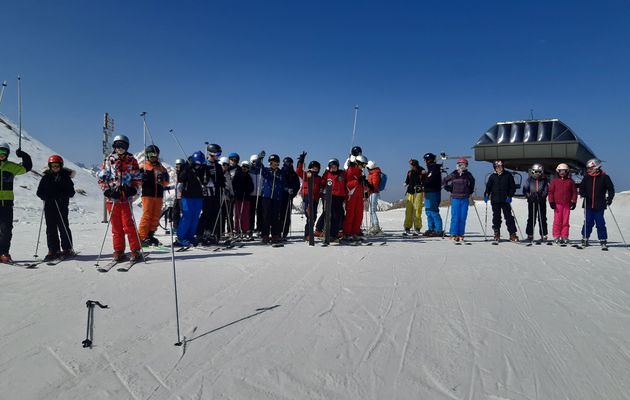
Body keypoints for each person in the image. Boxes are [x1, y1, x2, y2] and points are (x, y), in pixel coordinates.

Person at [98, 135, 143, 261]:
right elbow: (102, 177)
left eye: (123, 146)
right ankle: (118, 250)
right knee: (116, 226)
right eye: (118, 146)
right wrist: (107, 191)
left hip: (125, 197)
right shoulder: (109, 160)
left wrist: (133, 189)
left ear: (127, 147)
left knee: (128, 225)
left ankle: (135, 249)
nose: (120, 149)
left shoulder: (131, 160)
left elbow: (137, 178)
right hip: (112, 199)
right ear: (114, 147)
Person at [36, 155, 76, 261]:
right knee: (51, 228)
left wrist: (62, 195)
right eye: (53, 166)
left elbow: (71, 192)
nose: (55, 168)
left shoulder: (65, 177)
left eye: (57, 166)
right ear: (49, 166)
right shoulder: (46, 178)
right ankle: (53, 249)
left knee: (63, 227)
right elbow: (39, 192)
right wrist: (44, 196)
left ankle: (67, 248)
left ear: (61, 166)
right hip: (49, 206)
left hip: (62, 205)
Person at [0, 143, 32, 263]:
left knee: (7, 229)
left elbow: (27, 167)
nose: (1, 155)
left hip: (7, 204)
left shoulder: (11, 167)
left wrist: (24, 155)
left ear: (7, 154)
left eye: (3, 152)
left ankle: (3, 253)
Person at [251, 153, 287, 244]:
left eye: (275, 163)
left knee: (275, 217)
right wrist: (259, 158)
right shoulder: (266, 171)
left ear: (278, 163)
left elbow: (284, 184)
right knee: (266, 216)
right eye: (271, 163)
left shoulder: (281, 173)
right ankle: (265, 235)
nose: (273, 165)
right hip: (266, 197)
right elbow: (259, 166)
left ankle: (275, 235)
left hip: (276, 198)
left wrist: (288, 189)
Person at [138, 145, 170, 247]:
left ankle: (150, 235)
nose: (153, 156)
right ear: (147, 155)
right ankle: (142, 237)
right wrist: (142, 177)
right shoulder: (143, 166)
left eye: (155, 154)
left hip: (159, 195)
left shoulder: (161, 168)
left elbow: (166, 183)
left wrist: (164, 179)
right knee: (147, 215)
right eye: (151, 154)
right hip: (148, 194)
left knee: (155, 216)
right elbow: (137, 180)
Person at [579, 158, 615, 248]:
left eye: (591, 168)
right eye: (588, 168)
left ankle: (603, 239)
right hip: (588, 203)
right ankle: (585, 238)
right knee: (588, 222)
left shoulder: (605, 177)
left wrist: (609, 198)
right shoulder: (586, 177)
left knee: (600, 222)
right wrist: (582, 193)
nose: (589, 170)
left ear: (597, 167)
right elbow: (582, 187)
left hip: (599, 205)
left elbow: (611, 189)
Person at [175, 151, 206, 246]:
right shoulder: (186, 166)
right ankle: (181, 237)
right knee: (187, 217)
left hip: (198, 196)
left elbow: (205, 180)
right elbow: (180, 178)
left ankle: (190, 236)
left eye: (200, 163)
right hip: (187, 196)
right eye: (197, 163)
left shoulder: (202, 168)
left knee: (195, 218)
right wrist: (189, 167)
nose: (198, 165)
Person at [196, 143, 225, 244]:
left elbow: (221, 179)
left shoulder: (217, 166)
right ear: (211, 153)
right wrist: (204, 176)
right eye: (218, 154)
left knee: (215, 213)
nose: (218, 156)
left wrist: (223, 184)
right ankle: (200, 233)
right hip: (207, 193)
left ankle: (210, 233)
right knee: (206, 214)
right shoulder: (204, 165)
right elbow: (199, 177)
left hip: (216, 193)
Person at [484, 160, 518, 242]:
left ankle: (512, 234)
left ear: (503, 167)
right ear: (495, 168)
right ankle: (496, 233)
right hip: (495, 200)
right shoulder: (492, 176)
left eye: (500, 166)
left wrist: (510, 196)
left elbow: (512, 187)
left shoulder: (508, 175)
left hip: (505, 200)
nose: (499, 168)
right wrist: (486, 194)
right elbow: (488, 187)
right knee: (496, 217)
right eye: (497, 167)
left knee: (509, 217)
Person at [442, 158, 475, 242]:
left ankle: (460, 234)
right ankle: (453, 233)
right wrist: (448, 188)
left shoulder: (468, 175)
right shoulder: (454, 174)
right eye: (460, 165)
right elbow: (444, 180)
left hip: (464, 198)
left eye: (463, 165)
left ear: (466, 166)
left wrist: (470, 190)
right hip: (455, 198)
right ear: (457, 165)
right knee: (455, 217)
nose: (461, 167)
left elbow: (472, 182)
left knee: (462, 217)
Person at [316, 158, 347, 242]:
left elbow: (347, 182)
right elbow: (322, 182)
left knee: (339, 215)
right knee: (331, 216)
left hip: (340, 197)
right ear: (329, 167)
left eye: (335, 166)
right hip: (330, 197)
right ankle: (329, 234)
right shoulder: (327, 174)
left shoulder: (342, 173)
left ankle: (335, 233)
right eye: (331, 167)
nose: (333, 168)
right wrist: (322, 190)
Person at [548, 163, 577, 245]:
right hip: (557, 204)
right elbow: (550, 192)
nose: (562, 173)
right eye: (560, 171)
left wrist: (574, 202)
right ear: (558, 171)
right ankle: (556, 236)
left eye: (564, 171)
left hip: (567, 204)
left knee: (565, 221)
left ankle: (564, 236)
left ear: (567, 172)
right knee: (557, 221)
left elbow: (574, 192)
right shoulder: (554, 181)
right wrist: (551, 202)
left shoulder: (570, 182)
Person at [296, 152, 322, 241]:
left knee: (313, 217)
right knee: (310, 216)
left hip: (315, 199)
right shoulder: (308, 174)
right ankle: (307, 235)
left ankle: (310, 233)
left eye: (317, 168)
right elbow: (299, 172)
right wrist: (301, 161)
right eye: (313, 168)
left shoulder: (319, 178)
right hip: (307, 197)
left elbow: (322, 185)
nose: (315, 170)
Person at [343, 154, 368, 241]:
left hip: (358, 196)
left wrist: (365, 185)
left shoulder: (359, 172)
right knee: (350, 214)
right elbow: (347, 184)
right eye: (363, 165)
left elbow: (360, 185)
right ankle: (347, 233)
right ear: (358, 163)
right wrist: (357, 181)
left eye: (365, 165)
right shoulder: (350, 170)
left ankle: (356, 232)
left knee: (359, 214)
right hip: (351, 195)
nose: (364, 167)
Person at [522, 163, 549, 242]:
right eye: (536, 172)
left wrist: (542, 196)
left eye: (539, 172)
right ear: (533, 171)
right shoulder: (529, 180)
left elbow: (546, 190)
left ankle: (543, 234)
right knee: (531, 218)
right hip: (532, 201)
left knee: (542, 218)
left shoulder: (544, 180)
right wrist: (529, 196)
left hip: (541, 201)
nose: (537, 174)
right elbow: (525, 189)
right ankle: (530, 234)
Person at [422, 153, 444, 236]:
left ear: (429, 159)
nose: (425, 162)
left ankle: (438, 230)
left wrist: (423, 183)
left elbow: (430, 181)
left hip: (433, 192)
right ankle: (431, 229)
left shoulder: (434, 168)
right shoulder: (430, 169)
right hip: (428, 192)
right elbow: (427, 181)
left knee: (433, 211)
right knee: (428, 211)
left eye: (425, 160)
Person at [232, 160, 254, 237]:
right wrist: (236, 191)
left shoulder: (249, 177)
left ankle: (245, 230)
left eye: (247, 167)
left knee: (245, 214)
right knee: (238, 214)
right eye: (243, 167)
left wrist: (247, 191)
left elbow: (252, 187)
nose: (245, 168)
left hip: (246, 198)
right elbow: (234, 185)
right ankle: (237, 229)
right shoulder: (237, 175)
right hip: (239, 197)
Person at [403, 159, 425, 236]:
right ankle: (407, 227)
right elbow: (408, 180)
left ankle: (417, 228)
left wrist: (422, 187)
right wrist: (406, 183)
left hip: (418, 192)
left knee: (417, 210)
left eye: (413, 165)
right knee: (409, 211)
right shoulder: (410, 172)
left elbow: (424, 180)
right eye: (411, 165)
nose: (412, 166)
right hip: (410, 192)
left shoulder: (421, 171)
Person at [281, 156, 301, 239]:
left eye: (290, 163)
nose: (289, 164)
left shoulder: (293, 174)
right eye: (287, 162)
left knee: (287, 215)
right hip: (281, 196)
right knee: (279, 215)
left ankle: (285, 232)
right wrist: (286, 189)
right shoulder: (281, 172)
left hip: (289, 196)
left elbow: (297, 185)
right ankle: (277, 232)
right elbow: (281, 182)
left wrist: (293, 193)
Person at [366, 160, 382, 234]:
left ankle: (376, 226)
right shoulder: (372, 173)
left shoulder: (375, 174)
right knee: (370, 210)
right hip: (372, 193)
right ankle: (374, 225)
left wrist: (369, 186)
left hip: (374, 193)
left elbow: (375, 185)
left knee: (372, 210)